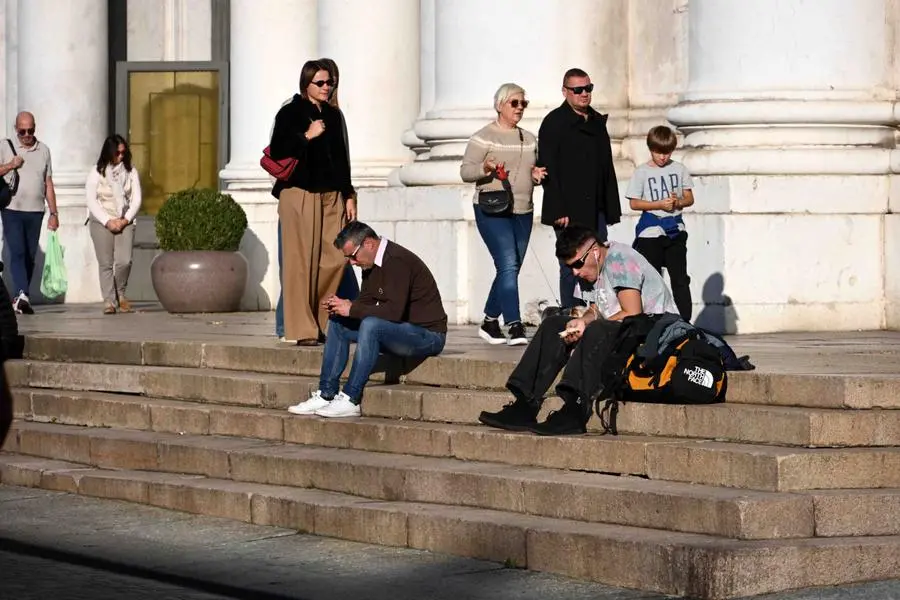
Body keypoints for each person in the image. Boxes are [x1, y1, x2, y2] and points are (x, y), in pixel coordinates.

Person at [478, 225, 678, 436]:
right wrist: (582, 321)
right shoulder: (592, 269)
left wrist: (589, 326)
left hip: (654, 336)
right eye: (570, 267)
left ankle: (575, 409)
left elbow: (632, 314)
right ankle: (525, 403)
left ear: (594, 251)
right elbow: (597, 308)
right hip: (626, 333)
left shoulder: (620, 260)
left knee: (598, 329)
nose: (575, 272)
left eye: (577, 264)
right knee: (554, 324)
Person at [286, 221, 447, 418]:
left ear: (369, 244)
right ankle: (326, 393)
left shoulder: (397, 261)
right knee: (338, 322)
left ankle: (351, 398)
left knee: (371, 325)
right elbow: (365, 303)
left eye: (352, 256)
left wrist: (352, 308)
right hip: (400, 331)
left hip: (429, 336)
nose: (352, 263)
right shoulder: (370, 263)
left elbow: (394, 312)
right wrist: (342, 307)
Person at [268, 60, 356, 346]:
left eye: (329, 82)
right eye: (320, 83)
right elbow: (278, 149)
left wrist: (349, 194)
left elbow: (342, 159)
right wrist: (307, 135)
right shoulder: (290, 112)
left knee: (334, 259)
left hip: (332, 196)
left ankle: (321, 321)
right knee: (299, 263)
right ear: (306, 84)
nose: (326, 87)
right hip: (299, 194)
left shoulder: (334, 115)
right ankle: (301, 329)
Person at [460, 83, 545, 346]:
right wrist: (484, 168)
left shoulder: (529, 139)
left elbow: (532, 169)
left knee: (512, 267)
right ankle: (514, 324)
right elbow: (465, 172)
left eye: (523, 104)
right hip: (492, 209)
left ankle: (488, 321)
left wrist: (536, 176)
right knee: (508, 263)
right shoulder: (483, 137)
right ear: (500, 105)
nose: (520, 108)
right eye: (514, 103)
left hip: (523, 209)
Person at [538, 68, 621, 309]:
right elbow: (548, 167)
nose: (584, 94)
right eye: (578, 90)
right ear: (565, 92)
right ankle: (571, 312)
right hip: (569, 211)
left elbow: (607, 168)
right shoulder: (554, 122)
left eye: (588, 88)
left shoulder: (596, 121)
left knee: (598, 261)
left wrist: (610, 208)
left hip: (596, 208)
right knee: (571, 265)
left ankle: (597, 312)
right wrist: (557, 209)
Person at [626, 125, 694, 321]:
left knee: (680, 279)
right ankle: (654, 319)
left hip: (675, 231)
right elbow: (634, 203)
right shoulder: (642, 172)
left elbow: (689, 198)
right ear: (650, 149)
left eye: (667, 152)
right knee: (652, 278)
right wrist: (658, 205)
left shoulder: (679, 169)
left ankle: (685, 321)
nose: (662, 157)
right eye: (658, 152)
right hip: (650, 232)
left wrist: (677, 202)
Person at [0, 111, 59, 314]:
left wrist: (54, 213)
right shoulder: (5, 146)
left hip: (35, 211)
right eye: (22, 131)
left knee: (30, 255)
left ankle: (20, 296)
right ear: (16, 129)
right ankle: (22, 294)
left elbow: (48, 182)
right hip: (12, 209)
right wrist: (10, 165)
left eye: (30, 130)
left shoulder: (44, 150)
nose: (27, 135)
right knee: (17, 251)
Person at [85, 134, 142, 314]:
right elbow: (91, 200)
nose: (120, 156)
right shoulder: (96, 172)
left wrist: (125, 220)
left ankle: (120, 293)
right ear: (108, 153)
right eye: (117, 153)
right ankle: (109, 301)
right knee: (106, 263)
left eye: (123, 153)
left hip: (125, 218)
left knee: (125, 261)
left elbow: (136, 199)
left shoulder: (131, 171)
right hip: (102, 220)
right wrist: (107, 221)